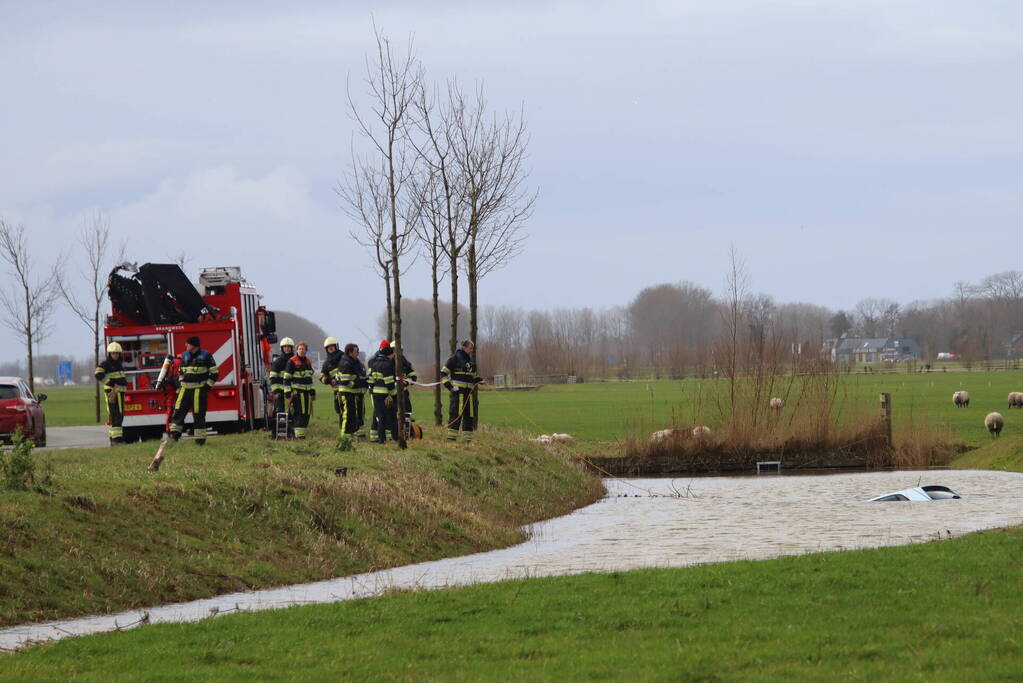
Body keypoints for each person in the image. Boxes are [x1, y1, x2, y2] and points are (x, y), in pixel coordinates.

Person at [168, 335, 219, 445]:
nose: (186, 345)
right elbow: (181, 372)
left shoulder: (206, 356)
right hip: (184, 390)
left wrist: (207, 387)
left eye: (188, 343)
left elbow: (215, 373)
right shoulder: (184, 356)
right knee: (178, 413)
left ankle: (200, 441)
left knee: (198, 415)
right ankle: (173, 438)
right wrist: (180, 384)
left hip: (198, 391)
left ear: (194, 345)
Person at [442, 339, 483, 442]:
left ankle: (467, 441)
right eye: (470, 348)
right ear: (464, 347)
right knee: (456, 415)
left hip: (469, 393)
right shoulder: (454, 359)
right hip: (457, 393)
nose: (472, 350)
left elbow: (471, 378)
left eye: (473, 349)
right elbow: (443, 373)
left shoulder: (470, 361)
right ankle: (451, 439)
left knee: (469, 416)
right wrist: (449, 386)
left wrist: (478, 380)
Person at [94, 341, 128, 444]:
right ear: (109, 354)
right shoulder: (106, 364)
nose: (116, 355)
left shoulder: (119, 365)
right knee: (116, 416)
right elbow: (98, 374)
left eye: (117, 353)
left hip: (120, 394)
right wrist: (111, 383)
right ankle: (116, 440)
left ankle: (115, 439)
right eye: (113, 353)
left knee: (119, 415)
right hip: (112, 393)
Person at [284, 341, 316, 439]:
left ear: (306, 351)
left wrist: (312, 392)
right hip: (297, 393)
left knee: (306, 413)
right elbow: (286, 379)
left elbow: (310, 378)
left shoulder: (308, 361)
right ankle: (298, 436)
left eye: (303, 349)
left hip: (307, 393)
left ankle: (302, 434)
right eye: (300, 349)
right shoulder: (292, 361)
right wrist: (288, 394)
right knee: (298, 414)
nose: (301, 351)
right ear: (297, 350)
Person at [368, 340, 398, 443]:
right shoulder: (388, 365)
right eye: (393, 354)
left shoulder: (374, 363)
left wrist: (372, 389)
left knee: (380, 417)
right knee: (389, 417)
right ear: (389, 355)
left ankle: (381, 439)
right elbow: (389, 382)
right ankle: (392, 438)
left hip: (376, 395)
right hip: (386, 395)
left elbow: (371, 380)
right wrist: (394, 394)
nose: (393, 356)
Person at [332, 343, 364, 437]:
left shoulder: (354, 361)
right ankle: (345, 436)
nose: (358, 353)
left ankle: (351, 433)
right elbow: (345, 381)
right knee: (347, 415)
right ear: (350, 352)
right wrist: (356, 383)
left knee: (353, 415)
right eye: (356, 351)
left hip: (353, 393)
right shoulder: (346, 363)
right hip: (346, 393)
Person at [269, 337, 295, 417]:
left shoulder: (295, 360)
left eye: (288, 347)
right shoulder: (278, 361)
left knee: (294, 412)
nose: (287, 349)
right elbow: (273, 378)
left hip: (293, 391)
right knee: (280, 413)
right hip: (280, 392)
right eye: (285, 347)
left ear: (292, 348)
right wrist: (276, 392)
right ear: (282, 348)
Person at [320, 337, 343, 416]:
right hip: (336, 391)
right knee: (339, 411)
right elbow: (321, 376)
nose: (330, 348)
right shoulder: (326, 363)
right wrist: (328, 380)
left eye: (332, 347)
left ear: (336, 347)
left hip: (347, 390)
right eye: (329, 348)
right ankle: (343, 428)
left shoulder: (344, 358)